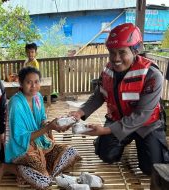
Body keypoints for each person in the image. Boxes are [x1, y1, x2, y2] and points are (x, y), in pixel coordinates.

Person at [70, 23, 169, 175]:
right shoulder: (108, 70)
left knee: (152, 168)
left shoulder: (152, 75)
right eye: (112, 52)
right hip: (117, 120)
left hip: (147, 125)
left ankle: (144, 143)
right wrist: (80, 112)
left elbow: (141, 115)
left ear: (135, 51)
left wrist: (105, 130)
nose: (115, 58)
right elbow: (99, 95)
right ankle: (118, 140)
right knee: (106, 156)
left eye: (122, 52)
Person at [0, 66, 81, 189]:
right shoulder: (15, 104)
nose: (33, 86)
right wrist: (47, 128)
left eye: (36, 82)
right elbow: (20, 138)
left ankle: (39, 171)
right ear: (21, 83)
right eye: (28, 82)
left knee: (71, 153)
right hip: (22, 149)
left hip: (40, 143)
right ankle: (8, 167)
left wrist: (55, 125)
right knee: (43, 181)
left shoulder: (38, 97)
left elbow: (42, 120)